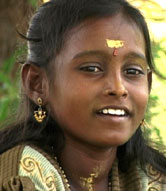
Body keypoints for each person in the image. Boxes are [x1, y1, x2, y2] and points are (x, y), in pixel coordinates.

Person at [0, 0, 166, 190]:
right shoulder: (16, 180)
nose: (119, 88)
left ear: (149, 83)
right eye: (92, 68)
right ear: (37, 84)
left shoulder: (154, 180)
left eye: (133, 72)